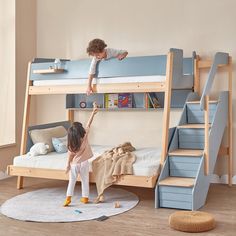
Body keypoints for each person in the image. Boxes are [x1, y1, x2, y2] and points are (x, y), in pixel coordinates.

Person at [63, 103, 98, 206]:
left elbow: (70, 156)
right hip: (84, 163)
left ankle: (68, 199)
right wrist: (93, 112)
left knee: (72, 182)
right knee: (85, 180)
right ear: (81, 131)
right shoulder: (85, 136)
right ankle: (85, 198)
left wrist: (67, 165)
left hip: (75, 165)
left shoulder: (71, 144)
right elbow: (88, 124)